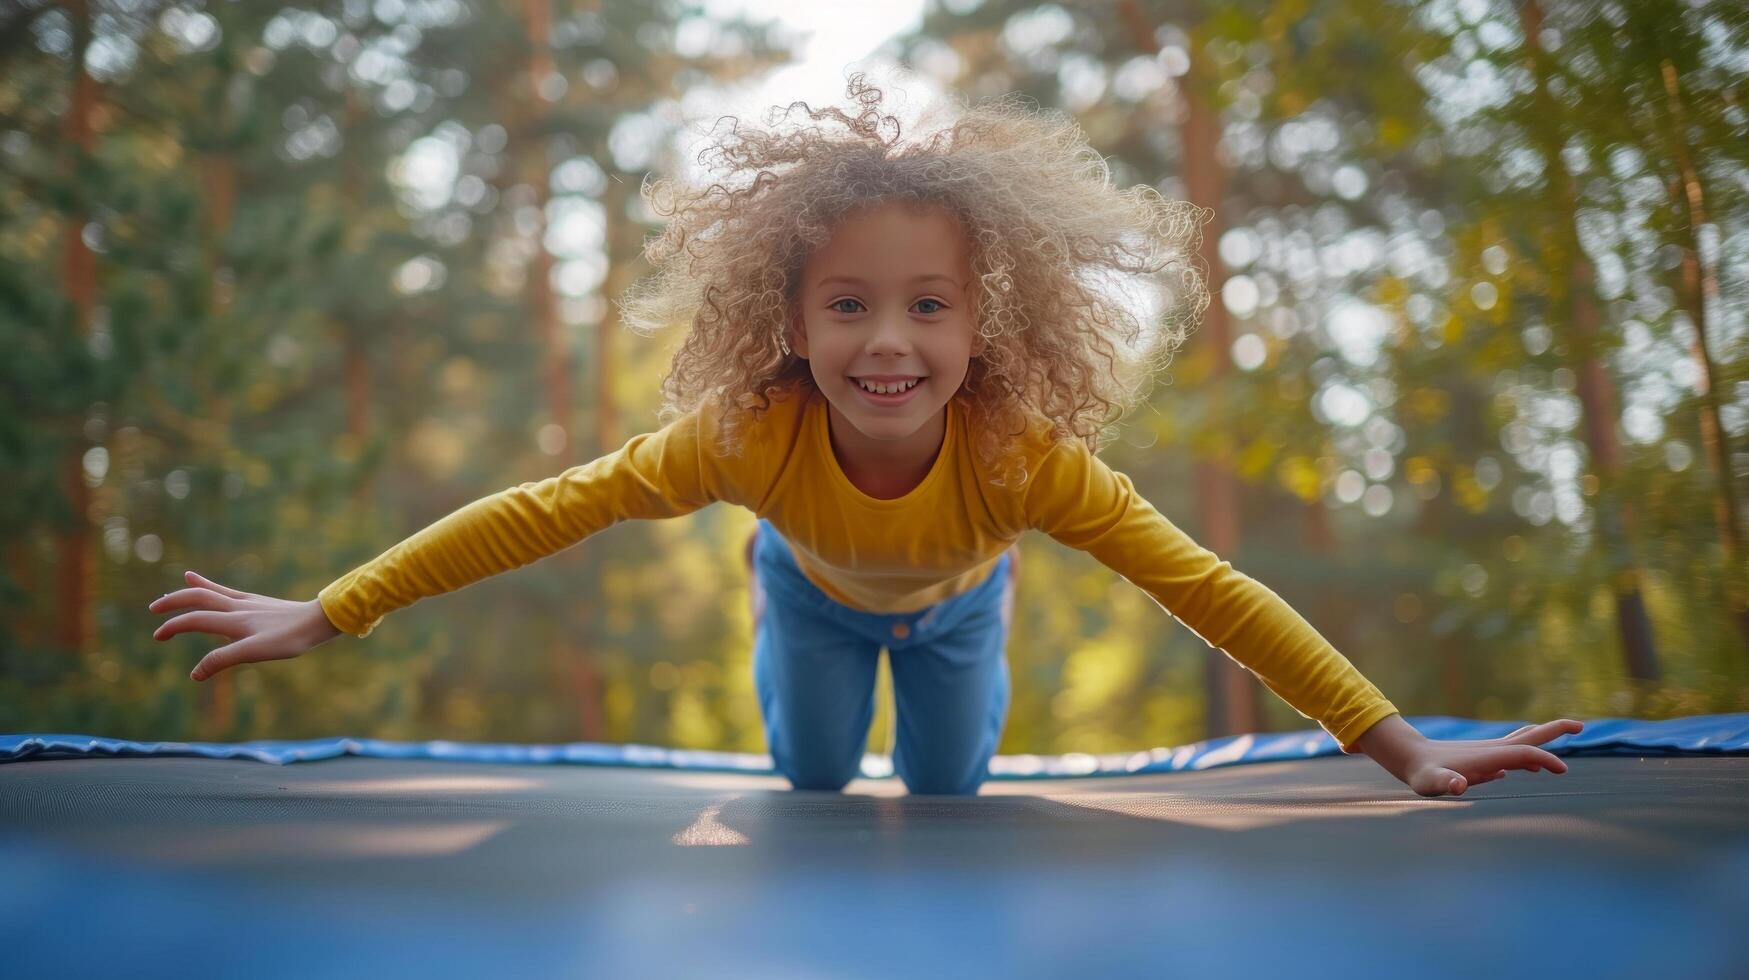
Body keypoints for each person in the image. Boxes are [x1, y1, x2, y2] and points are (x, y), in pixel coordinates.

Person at [148, 74, 1581, 797]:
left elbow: (1208, 590)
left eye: (925, 307)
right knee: (815, 782)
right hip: (811, 602)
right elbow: (541, 509)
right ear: (787, 316)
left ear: (981, 325)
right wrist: (334, 611)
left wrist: (1393, 747)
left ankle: (967, 631)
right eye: (846, 304)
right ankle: (802, 644)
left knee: (948, 791)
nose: (885, 342)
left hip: (956, 617)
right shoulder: (741, 437)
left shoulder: (1021, 460)